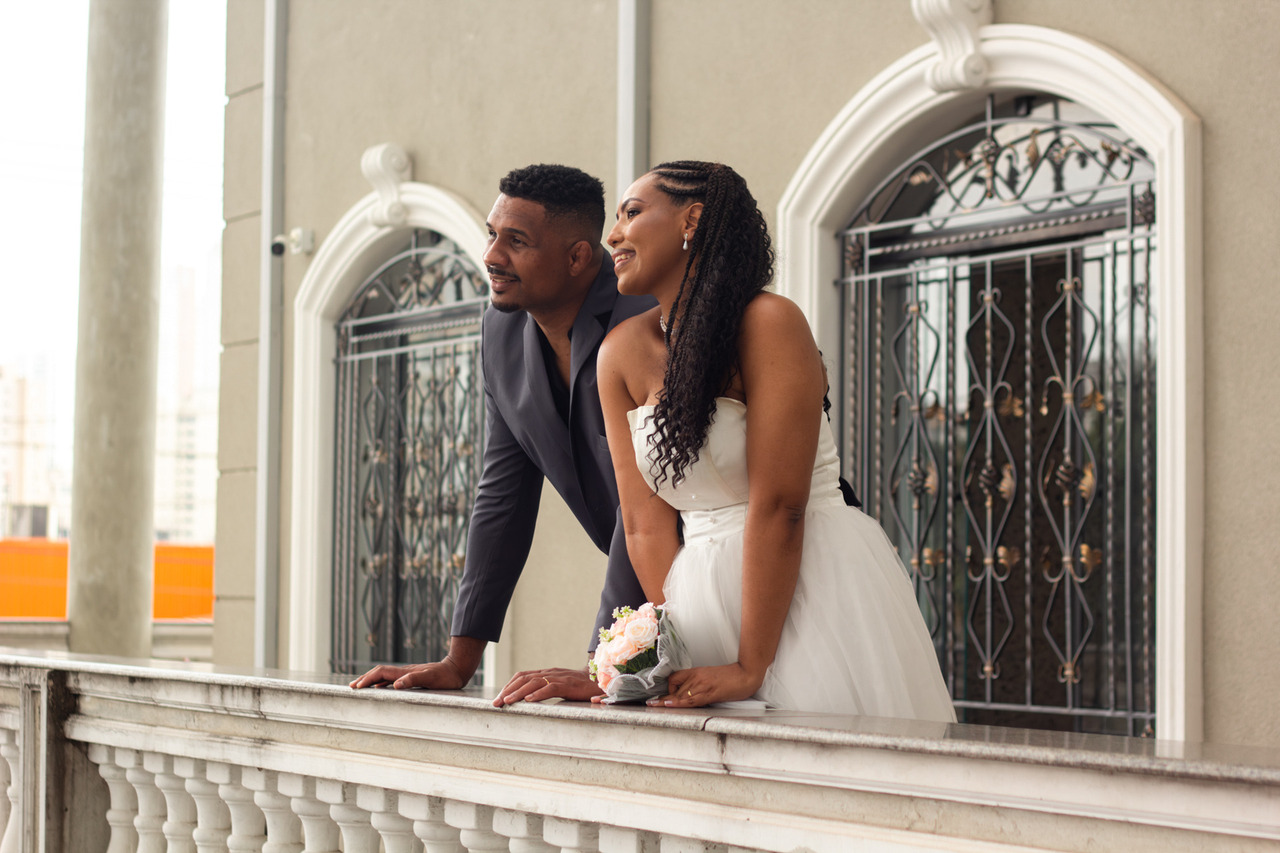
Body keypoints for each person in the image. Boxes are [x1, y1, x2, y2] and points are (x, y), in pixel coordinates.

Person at [595, 160, 955, 720]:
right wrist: (671, 649)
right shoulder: (619, 353)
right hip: (695, 597)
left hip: (813, 579)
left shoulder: (770, 321)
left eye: (632, 213)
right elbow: (643, 523)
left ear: (692, 219)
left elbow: (781, 505)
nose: (612, 234)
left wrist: (749, 664)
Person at [350, 164, 654, 698]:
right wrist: (458, 660)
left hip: (728, 568)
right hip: (659, 584)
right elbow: (503, 498)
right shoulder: (500, 328)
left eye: (516, 241)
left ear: (578, 257)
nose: (491, 255)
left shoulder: (646, 316)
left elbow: (647, 505)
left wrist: (604, 666)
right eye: (493, 234)